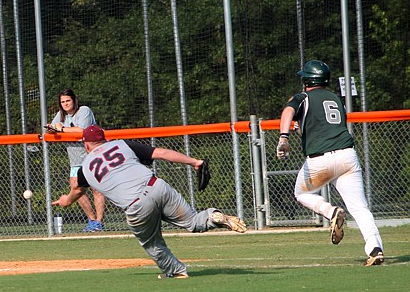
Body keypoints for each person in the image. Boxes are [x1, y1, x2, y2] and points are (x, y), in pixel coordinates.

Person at [52, 125, 246, 279]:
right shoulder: (122, 144)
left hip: (136, 206)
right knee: (194, 222)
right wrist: (194, 162)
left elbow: (77, 190)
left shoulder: (84, 168)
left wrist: (65, 201)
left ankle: (177, 271)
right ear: (105, 139)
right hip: (157, 186)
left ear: (86, 145)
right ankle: (214, 216)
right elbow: (161, 153)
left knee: (153, 243)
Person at [277, 59, 384, 266]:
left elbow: (288, 111)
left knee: (302, 193)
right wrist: (300, 130)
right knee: (360, 208)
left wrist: (284, 136)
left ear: (307, 80)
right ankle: (375, 248)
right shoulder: (335, 99)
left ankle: (331, 211)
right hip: (347, 157)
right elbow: (327, 127)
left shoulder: (303, 97)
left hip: (320, 161)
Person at [47, 88, 106, 232]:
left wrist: (61, 129)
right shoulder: (61, 116)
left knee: (96, 189)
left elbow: (82, 131)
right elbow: (53, 128)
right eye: (63, 102)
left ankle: (99, 222)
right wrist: (51, 129)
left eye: (68, 100)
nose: (65, 104)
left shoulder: (84, 110)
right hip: (75, 159)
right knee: (76, 189)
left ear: (74, 100)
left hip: (92, 157)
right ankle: (91, 220)